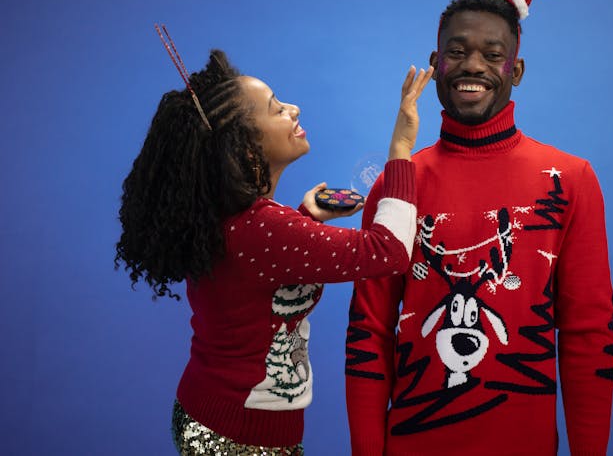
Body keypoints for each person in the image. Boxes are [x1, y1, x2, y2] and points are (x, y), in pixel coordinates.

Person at [345, 0, 613, 456]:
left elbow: (589, 333)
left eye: (493, 55)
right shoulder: (397, 182)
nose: (473, 66)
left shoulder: (571, 179)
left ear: (515, 71)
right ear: (435, 63)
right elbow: (370, 330)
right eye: (457, 52)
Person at [115, 47, 432, 454]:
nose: (294, 109)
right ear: (246, 149)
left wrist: (307, 218)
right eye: (277, 108)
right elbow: (387, 252)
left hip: (219, 419)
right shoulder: (264, 228)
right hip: (234, 440)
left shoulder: (250, 223)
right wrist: (402, 149)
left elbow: (260, 278)